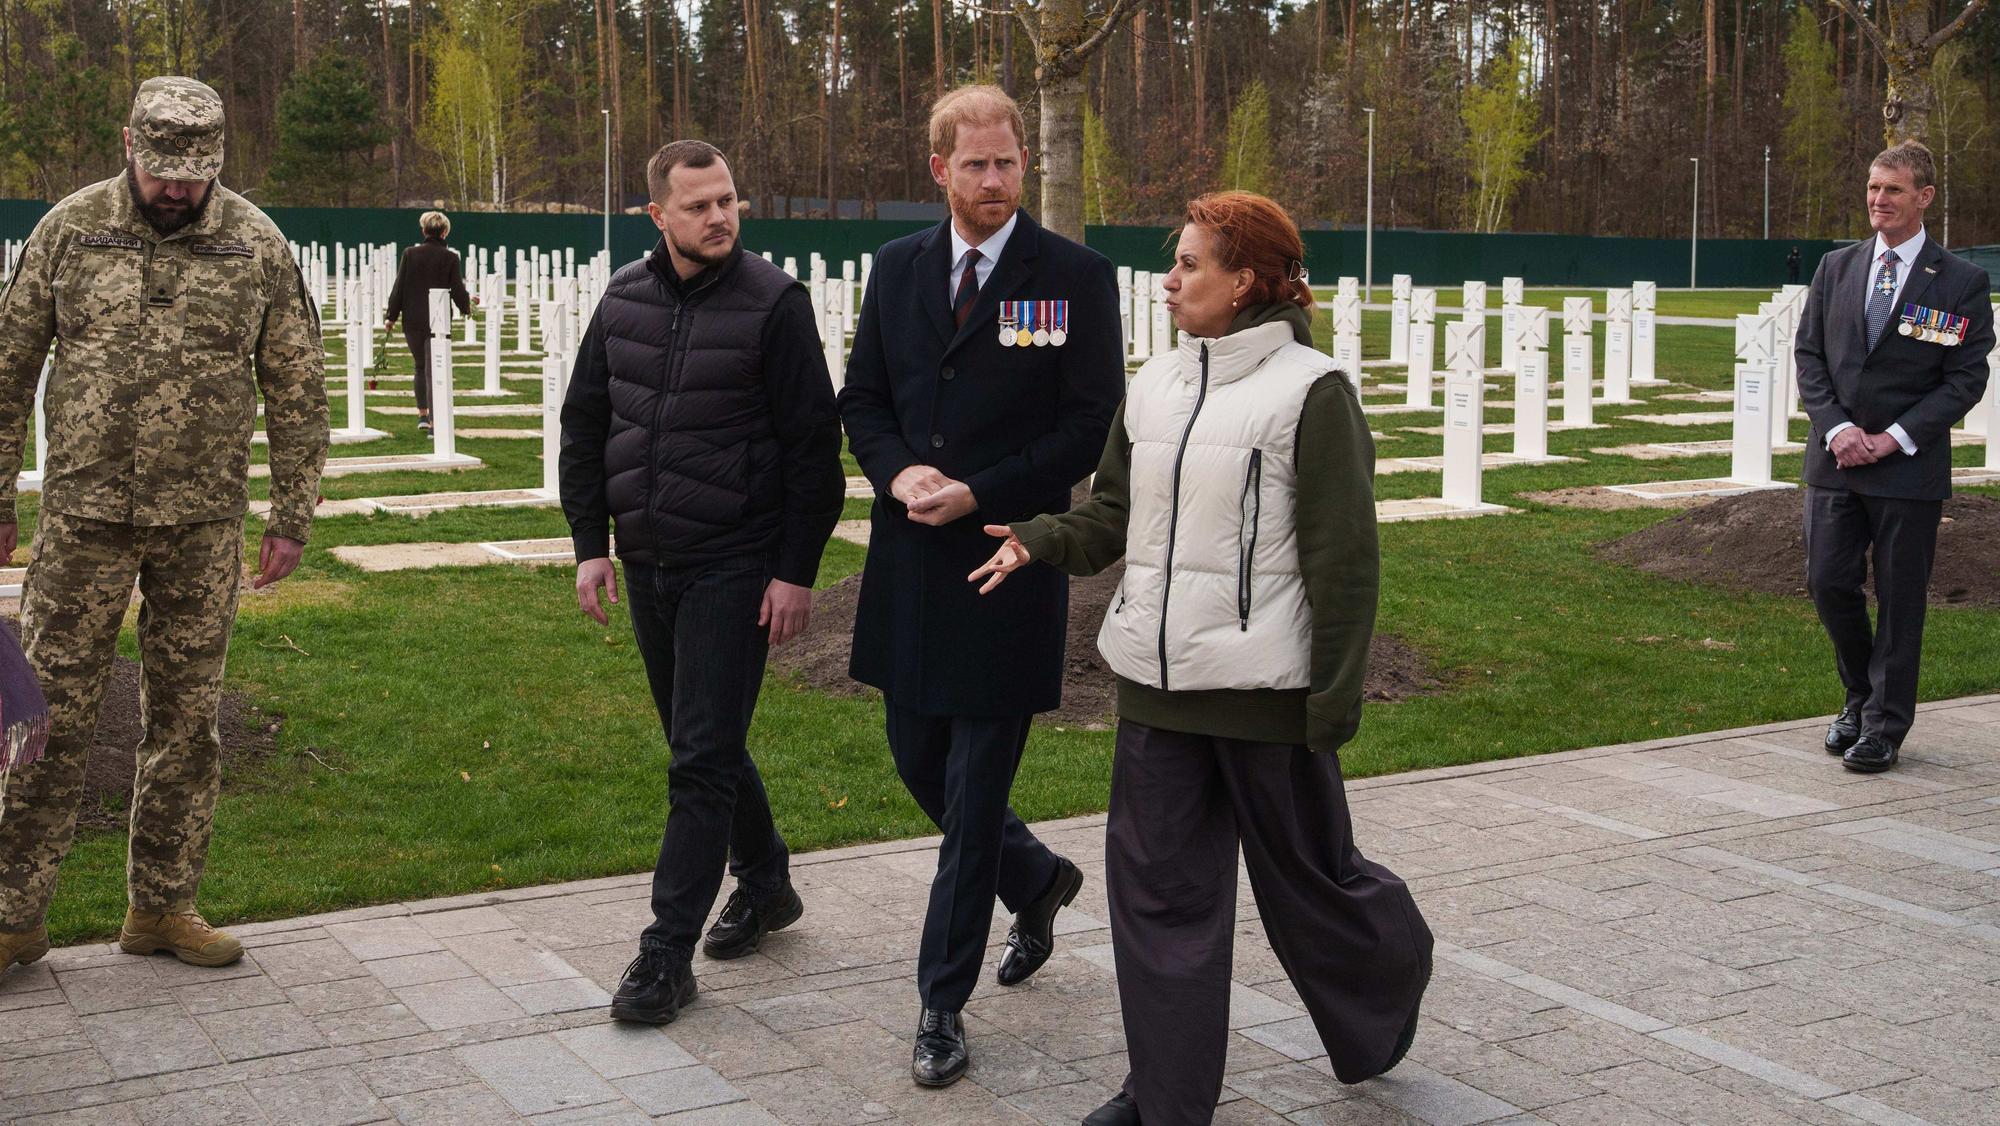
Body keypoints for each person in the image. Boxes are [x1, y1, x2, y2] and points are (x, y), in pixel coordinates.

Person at [970, 191, 1433, 1126]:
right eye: (1172, 262)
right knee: (1160, 907)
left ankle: (1388, 983)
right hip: (1156, 690)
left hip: (1268, 697)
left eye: (1188, 264)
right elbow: (1113, 515)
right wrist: (1038, 538)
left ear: (1245, 281)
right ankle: (1164, 1101)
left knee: (1318, 889)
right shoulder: (1158, 383)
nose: (1170, 279)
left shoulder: (1312, 391)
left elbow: (1343, 558)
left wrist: (1332, 702)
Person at [0, 76, 329, 975]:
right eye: (162, 171)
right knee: (47, 719)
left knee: (186, 722)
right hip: (84, 519)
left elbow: (298, 386)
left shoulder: (254, 243)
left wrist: (291, 514)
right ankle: (12, 917)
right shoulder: (73, 230)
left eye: (195, 172)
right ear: (128, 146)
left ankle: (163, 907)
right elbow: (8, 364)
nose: (177, 189)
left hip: (203, 525)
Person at [838, 84, 1125, 1087]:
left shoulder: (1071, 277)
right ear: (938, 170)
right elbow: (863, 397)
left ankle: (938, 1004)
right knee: (916, 758)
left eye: (1008, 163)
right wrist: (895, 471)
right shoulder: (896, 268)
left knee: (969, 802)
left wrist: (980, 490)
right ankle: (1037, 877)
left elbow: (1086, 423)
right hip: (912, 563)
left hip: (1008, 558)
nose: (996, 180)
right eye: (976, 166)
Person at [559, 140, 844, 1025]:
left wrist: (795, 572)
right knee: (704, 745)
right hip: (647, 561)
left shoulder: (774, 303)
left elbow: (814, 454)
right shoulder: (624, 298)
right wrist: (590, 544)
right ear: (659, 215)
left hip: (735, 560)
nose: (719, 217)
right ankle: (764, 883)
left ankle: (664, 955)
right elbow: (585, 423)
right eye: (698, 205)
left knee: (697, 762)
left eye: (727, 200)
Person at [1795, 141, 1992, 774]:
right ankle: (1859, 695)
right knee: (1828, 581)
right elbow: (1810, 358)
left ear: (1925, 198)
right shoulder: (1837, 268)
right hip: (1836, 461)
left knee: (1902, 600)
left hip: (1907, 468)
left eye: (1894, 191)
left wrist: (1894, 437)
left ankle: (1884, 726)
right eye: (1874, 188)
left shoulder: (1960, 281)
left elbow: (1964, 379)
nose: (1879, 200)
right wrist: (1837, 429)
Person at [384, 210, 472, 434]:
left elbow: (399, 287)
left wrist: (391, 316)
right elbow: (457, 289)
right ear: (445, 232)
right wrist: (467, 308)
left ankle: (423, 415)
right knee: (436, 369)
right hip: (439, 320)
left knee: (420, 367)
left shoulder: (410, 254)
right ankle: (436, 420)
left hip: (413, 319)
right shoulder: (450, 257)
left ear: (424, 230)